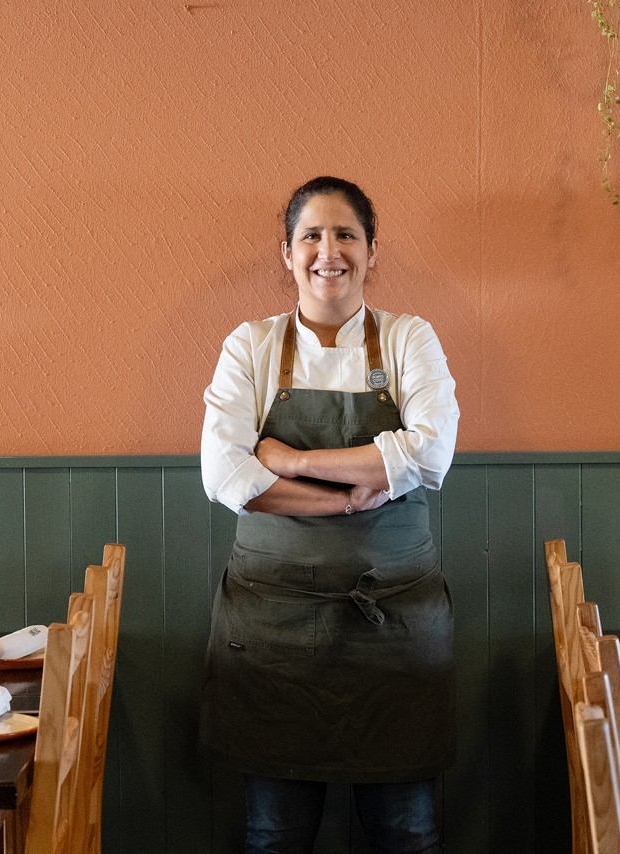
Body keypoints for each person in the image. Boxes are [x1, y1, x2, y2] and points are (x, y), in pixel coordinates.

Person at [199, 176, 460, 853]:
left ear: (373, 251)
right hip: (273, 634)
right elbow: (226, 475)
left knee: (412, 838)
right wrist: (349, 496)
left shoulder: (409, 339)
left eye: (346, 234)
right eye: (311, 235)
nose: (328, 251)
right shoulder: (249, 347)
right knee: (272, 840)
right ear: (286, 253)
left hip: (395, 633)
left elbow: (430, 456)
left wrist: (292, 459)